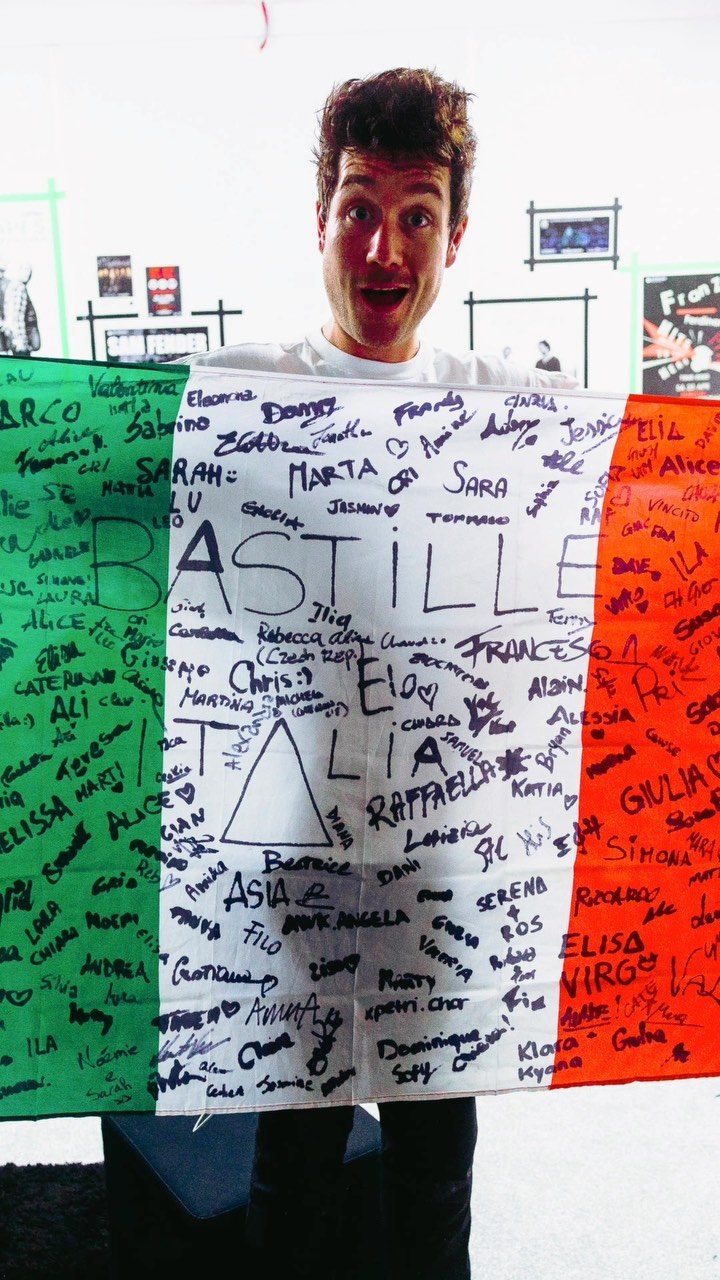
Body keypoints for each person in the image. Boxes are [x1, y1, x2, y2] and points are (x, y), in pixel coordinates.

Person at [184, 67, 574, 1280]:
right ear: (321, 218)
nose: (383, 246)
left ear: (455, 236)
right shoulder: (244, 390)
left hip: (440, 872)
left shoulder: (503, 412)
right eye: (359, 207)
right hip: (291, 865)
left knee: (433, 1175)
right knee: (292, 1173)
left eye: (416, 214)